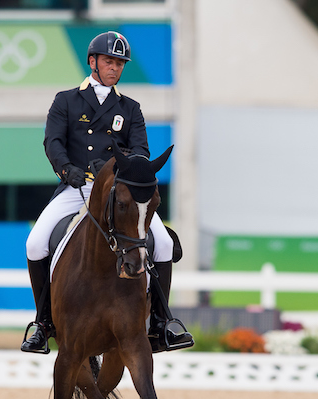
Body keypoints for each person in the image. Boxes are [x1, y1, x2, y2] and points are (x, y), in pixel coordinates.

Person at [20, 31, 193, 354]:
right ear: (93, 61)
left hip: (117, 192)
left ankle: (161, 322)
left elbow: (141, 149)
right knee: (35, 243)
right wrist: (66, 168)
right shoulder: (66, 100)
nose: (114, 68)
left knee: (165, 242)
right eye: (109, 61)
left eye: (119, 63)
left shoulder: (129, 108)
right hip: (76, 187)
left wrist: (120, 168)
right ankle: (44, 323)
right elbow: (53, 141)